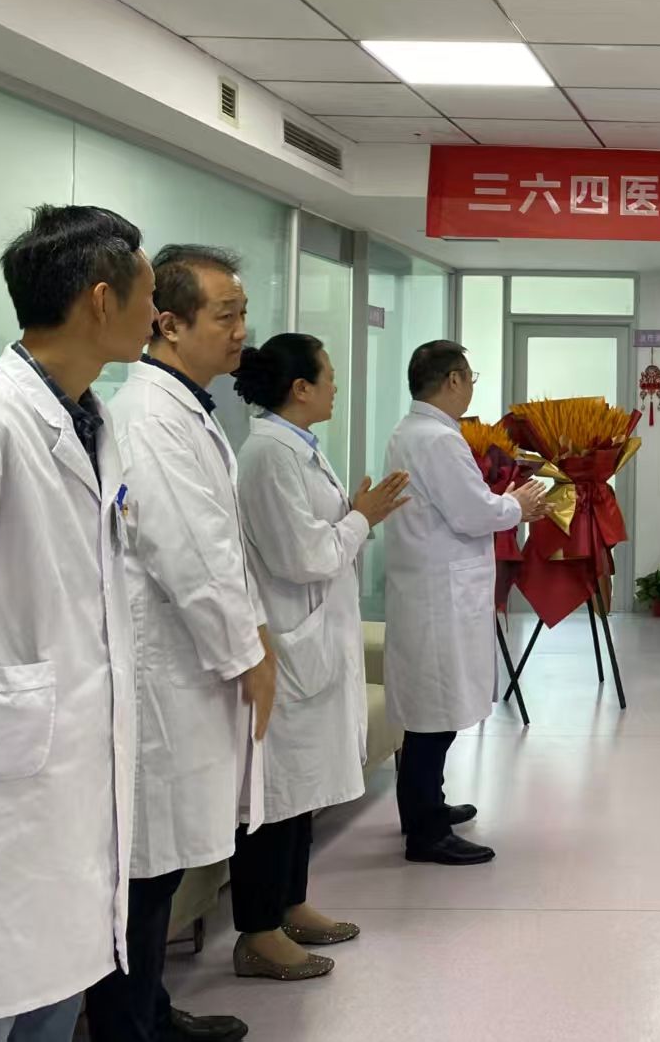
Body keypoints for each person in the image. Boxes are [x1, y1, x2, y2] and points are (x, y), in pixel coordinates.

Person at [0, 208, 153, 1042]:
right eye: (148, 295)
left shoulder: (92, 421)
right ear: (102, 300)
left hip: (66, 785)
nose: (157, 314)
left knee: (50, 989)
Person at [87, 245, 277, 1042]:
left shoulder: (185, 408)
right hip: (167, 672)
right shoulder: (152, 418)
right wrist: (247, 653)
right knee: (145, 870)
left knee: (160, 866)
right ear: (168, 323)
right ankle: (130, 1027)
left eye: (242, 313)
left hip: (186, 668)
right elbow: (190, 553)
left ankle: (152, 1012)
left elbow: (215, 548)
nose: (241, 331)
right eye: (226, 315)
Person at [229, 335, 411, 980]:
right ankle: (258, 931)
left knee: (301, 789)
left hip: (315, 639)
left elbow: (322, 537)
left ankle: (292, 903)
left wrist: (355, 514)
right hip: (288, 643)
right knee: (276, 793)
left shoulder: (296, 447)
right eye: (328, 375)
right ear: (300, 388)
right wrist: (361, 517)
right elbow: (302, 555)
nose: (335, 385)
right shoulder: (266, 455)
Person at [383, 341, 548, 866]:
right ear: (452, 380)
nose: (471, 387)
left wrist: (503, 504)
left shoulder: (412, 431)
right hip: (440, 594)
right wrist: (518, 504)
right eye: (470, 377)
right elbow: (473, 513)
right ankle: (426, 832)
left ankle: (424, 806)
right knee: (434, 715)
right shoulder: (438, 440)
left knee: (431, 710)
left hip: (432, 586)